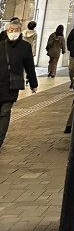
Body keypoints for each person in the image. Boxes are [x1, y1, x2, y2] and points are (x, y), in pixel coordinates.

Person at [0, 18, 37, 148]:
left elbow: (29, 66)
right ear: (7, 30)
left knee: (5, 112)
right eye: (11, 30)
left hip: (12, 84)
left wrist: (33, 83)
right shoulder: (1, 45)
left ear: (20, 31)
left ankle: (0, 139)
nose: (13, 32)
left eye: (16, 30)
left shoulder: (25, 47)